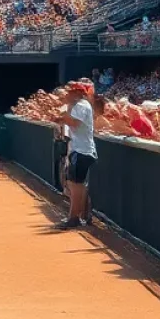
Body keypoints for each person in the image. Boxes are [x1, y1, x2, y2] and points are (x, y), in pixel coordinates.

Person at [55, 80, 96, 229]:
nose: (67, 94)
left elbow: (74, 123)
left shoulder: (80, 105)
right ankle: (79, 216)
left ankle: (74, 218)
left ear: (77, 93)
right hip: (79, 149)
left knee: (75, 184)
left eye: (70, 92)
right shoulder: (79, 105)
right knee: (77, 184)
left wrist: (63, 113)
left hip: (82, 150)